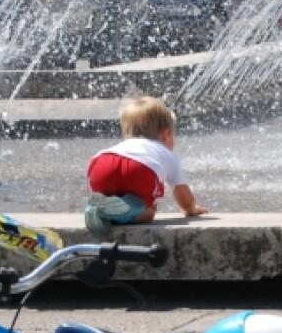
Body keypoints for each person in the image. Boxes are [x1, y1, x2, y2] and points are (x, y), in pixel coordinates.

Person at [84, 94, 208, 237]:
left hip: (100, 163)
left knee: (112, 193)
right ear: (166, 134)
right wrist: (191, 209)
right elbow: (183, 194)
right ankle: (120, 209)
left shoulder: (125, 146)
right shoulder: (166, 153)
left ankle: (102, 208)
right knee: (148, 211)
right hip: (139, 167)